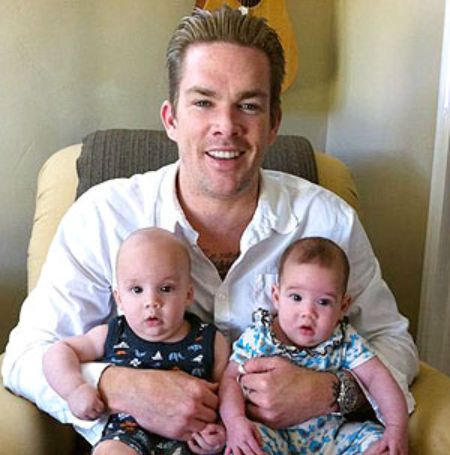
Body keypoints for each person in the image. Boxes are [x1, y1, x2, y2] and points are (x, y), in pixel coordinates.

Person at [2, 5, 418, 449]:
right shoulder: (103, 217)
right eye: (203, 102)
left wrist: (331, 392)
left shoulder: (328, 222)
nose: (226, 127)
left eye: (249, 106)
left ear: (273, 123)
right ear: (171, 119)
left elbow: (392, 341)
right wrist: (122, 386)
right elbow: (25, 356)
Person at [43, 227, 229, 455]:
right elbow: (59, 351)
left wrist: (220, 429)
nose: (151, 301)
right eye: (137, 289)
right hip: (127, 434)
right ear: (119, 298)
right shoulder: (112, 334)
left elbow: (228, 394)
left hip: (191, 438)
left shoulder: (212, 341)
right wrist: (75, 389)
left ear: (188, 295)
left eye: (166, 288)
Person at [220, 237, 408, 455]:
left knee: (378, 444)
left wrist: (396, 428)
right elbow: (230, 379)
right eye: (296, 297)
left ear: (343, 306)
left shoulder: (345, 340)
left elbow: (378, 378)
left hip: (333, 437)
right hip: (271, 435)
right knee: (245, 446)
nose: (308, 312)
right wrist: (235, 422)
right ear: (276, 297)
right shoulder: (259, 337)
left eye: (323, 302)